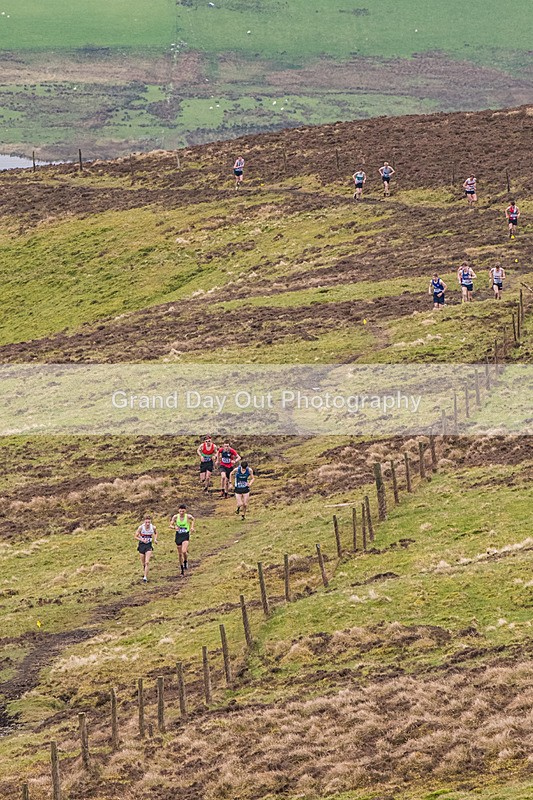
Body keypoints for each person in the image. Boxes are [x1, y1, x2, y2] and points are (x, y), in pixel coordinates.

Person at [170, 505, 195, 575]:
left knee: (184, 551)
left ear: (185, 511)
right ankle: (181, 568)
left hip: (185, 535)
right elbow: (170, 525)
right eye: (180, 511)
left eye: (183, 511)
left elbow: (193, 519)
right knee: (180, 554)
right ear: (178, 511)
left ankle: (186, 561)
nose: (181, 513)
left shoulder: (188, 516)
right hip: (178, 536)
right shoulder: (175, 517)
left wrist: (192, 527)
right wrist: (174, 527)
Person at [135, 515, 158, 583]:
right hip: (142, 545)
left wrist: (155, 539)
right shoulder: (141, 527)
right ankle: (145, 570)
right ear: (144, 522)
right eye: (146, 522)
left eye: (149, 522)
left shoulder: (153, 527)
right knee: (143, 563)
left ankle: (145, 577)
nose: (147, 524)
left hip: (148, 545)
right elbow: (135, 536)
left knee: (147, 562)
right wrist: (141, 539)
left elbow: (156, 533)